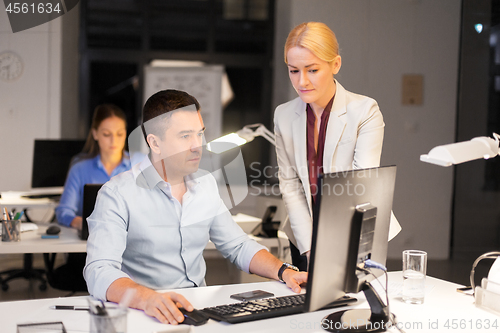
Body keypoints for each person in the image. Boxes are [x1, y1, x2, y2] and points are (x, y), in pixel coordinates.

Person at [84, 90, 308, 325]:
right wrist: (146, 298)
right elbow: (99, 270)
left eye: (199, 134)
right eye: (185, 136)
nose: (197, 145)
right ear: (154, 142)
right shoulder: (117, 193)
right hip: (146, 314)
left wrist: (284, 271)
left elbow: (238, 246)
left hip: (198, 310)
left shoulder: (205, 184)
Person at [274, 22, 385, 271]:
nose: (302, 81)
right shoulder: (283, 115)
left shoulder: (365, 111)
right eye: (293, 71)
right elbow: (291, 185)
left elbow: (361, 185)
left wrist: (330, 251)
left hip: (353, 233)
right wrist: (310, 249)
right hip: (303, 236)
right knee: (305, 306)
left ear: (335, 64)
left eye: (312, 70)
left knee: (353, 307)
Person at [55, 104, 131, 230]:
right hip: (90, 242)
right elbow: (64, 211)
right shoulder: (80, 169)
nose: (114, 141)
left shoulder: (140, 165)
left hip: (131, 242)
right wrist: (83, 224)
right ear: (95, 134)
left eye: (119, 134)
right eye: (107, 134)